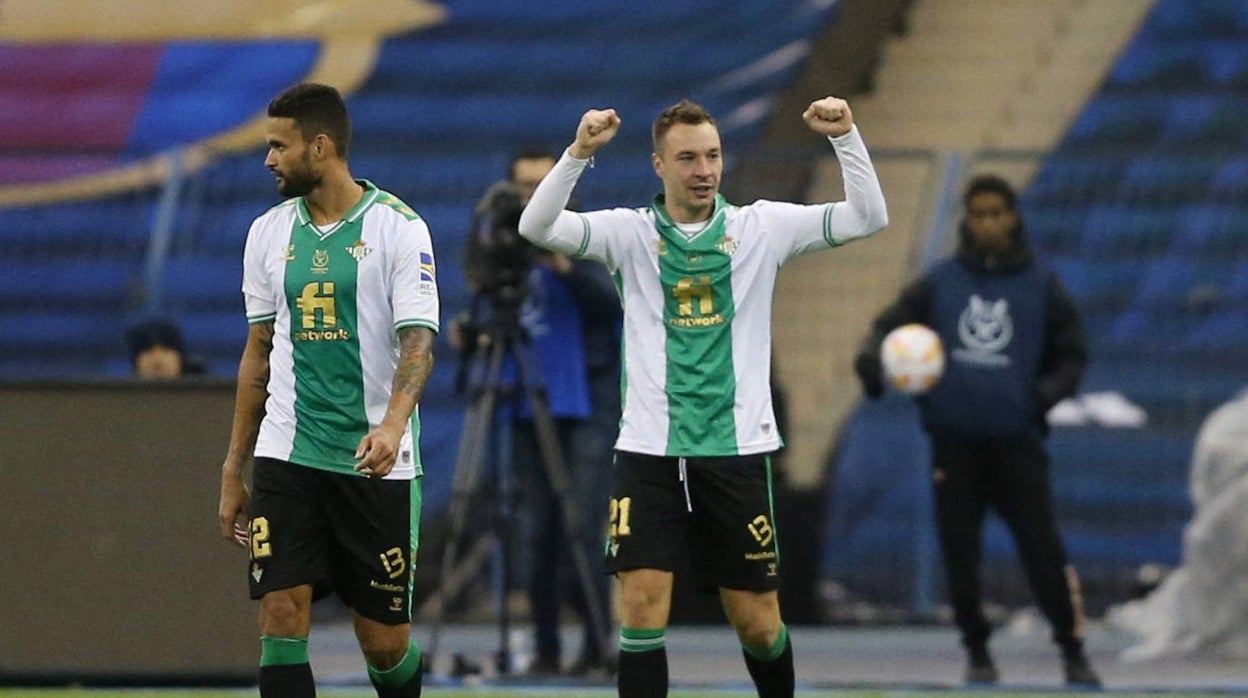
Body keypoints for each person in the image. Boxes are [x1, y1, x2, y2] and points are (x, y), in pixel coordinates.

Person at [519, 96, 888, 698]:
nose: (704, 169)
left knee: (757, 619)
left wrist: (846, 137)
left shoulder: (761, 227)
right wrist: (577, 155)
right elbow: (536, 228)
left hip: (735, 450)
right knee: (640, 605)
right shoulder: (629, 234)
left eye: (712, 155)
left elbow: (868, 218)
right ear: (659, 166)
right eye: (687, 158)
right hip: (647, 451)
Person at [216, 82, 438, 698]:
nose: (268, 159)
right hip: (289, 452)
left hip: (374, 463)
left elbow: (419, 344)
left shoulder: (399, 229)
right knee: (280, 615)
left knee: (384, 642)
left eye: (278, 146)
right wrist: (236, 464)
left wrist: (392, 426)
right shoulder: (267, 233)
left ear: (319, 148)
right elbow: (257, 354)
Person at [852, 174, 1100, 687]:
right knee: (959, 554)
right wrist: (871, 364)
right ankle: (978, 653)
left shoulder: (1041, 285)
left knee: (1043, 551)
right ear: (967, 219)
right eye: (978, 213)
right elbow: (887, 327)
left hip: (1017, 446)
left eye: (997, 213)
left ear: (1013, 218)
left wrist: (1040, 397)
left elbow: (1072, 353)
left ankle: (1072, 650)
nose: (987, 222)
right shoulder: (942, 282)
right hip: (955, 447)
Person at [457, 149, 622, 676]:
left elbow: (614, 302)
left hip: (587, 400)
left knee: (582, 519)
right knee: (534, 527)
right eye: (523, 186)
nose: (532, 195)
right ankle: (546, 645)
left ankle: (599, 644)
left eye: (541, 184)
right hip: (526, 397)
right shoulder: (504, 245)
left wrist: (560, 262)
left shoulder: (590, 235)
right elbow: (497, 305)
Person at [124, 317, 205, 378]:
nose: (157, 360)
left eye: (165, 350)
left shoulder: (205, 395)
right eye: (148, 351)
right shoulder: (122, 397)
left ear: (180, 357)